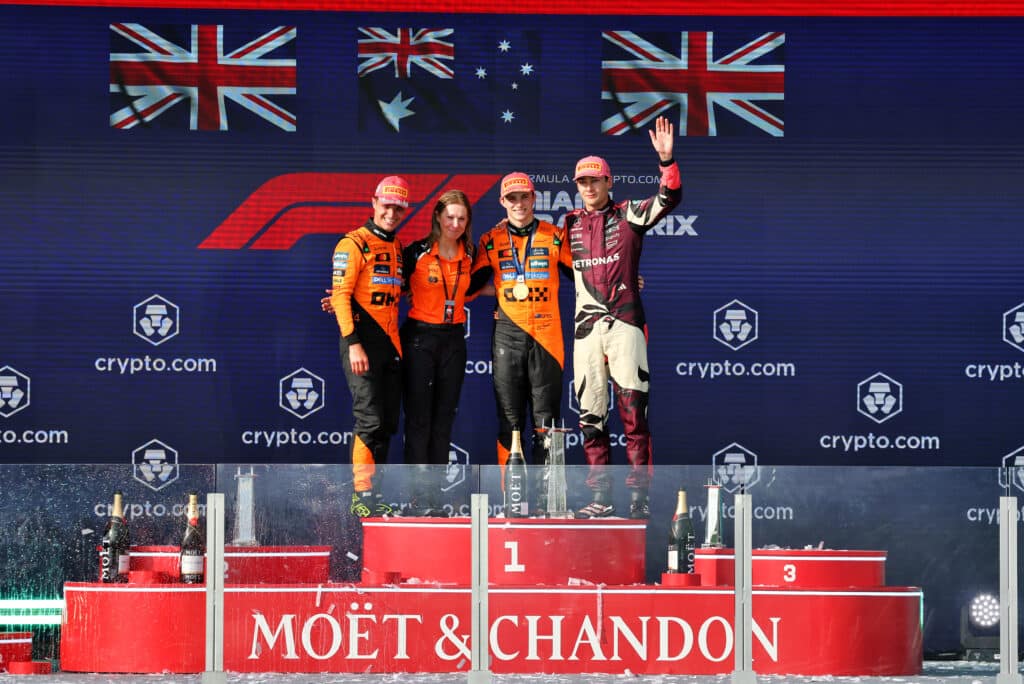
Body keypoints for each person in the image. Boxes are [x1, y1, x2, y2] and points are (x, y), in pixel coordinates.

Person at [565, 115, 682, 519]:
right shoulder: (567, 225)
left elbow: (669, 199)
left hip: (626, 323)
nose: (589, 187)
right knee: (590, 414)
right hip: (585, 332)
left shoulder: (629, 214)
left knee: (633, 412)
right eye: (583, 182)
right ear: (576, 187)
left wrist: (666, 161)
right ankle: (601, 496)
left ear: (609, 182)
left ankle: (638, 496)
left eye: (596, 180)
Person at [467, 172, 573, 516]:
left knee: (548, 422)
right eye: (512, 199)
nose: (519, 204)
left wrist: (628, 280)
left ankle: (548, 503)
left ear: (534, 198)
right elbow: (467, 287)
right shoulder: (490, 240)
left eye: (524, 197)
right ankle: (513, 503)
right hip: (508, 337)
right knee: (509, 421)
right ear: (502, 203)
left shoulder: (555, 236)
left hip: (547, 337)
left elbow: (589, 274)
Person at [329, 175, 407, 518]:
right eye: (386, 205)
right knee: (370, 419)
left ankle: (375, 495)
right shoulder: (353, 243)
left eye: (398, 207)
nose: (391, 212)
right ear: (374, 203)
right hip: (362, 345)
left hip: (391, 345)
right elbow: (341, 295)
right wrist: (353, 344)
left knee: (387, 423)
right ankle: (361, 492)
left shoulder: (396, 246)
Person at [400, 190, 474, 516]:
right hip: (419, 338)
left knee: (444, 420)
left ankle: (435, 501)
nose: (455, 224)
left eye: (461, 218)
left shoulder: (470, 252)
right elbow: (389, 285)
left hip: (454, 339)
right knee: (419, 420)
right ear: (437, 217)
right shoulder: (415, 252)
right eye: (450, 217)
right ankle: (419, 500)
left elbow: (488, 280)